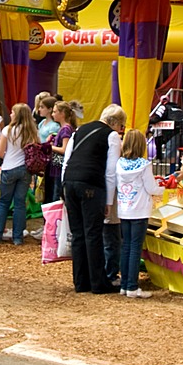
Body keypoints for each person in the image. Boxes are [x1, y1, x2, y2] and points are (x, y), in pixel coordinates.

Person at [61, 103, 126, 294]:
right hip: (91, 184)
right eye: (122, 126)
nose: (121, 130)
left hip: (71, 182)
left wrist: (64, 187)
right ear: (116, 123)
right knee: (93, 233)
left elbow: (67, 159)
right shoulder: (111, 136)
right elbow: (110, 171)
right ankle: (98, 282)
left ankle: (80, 282)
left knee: (78, 234)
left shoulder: (80, 130)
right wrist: (108, 200)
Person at [115, 128, 164, 298]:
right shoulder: (144, 165)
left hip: (124, 209)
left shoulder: (119, 163)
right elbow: (151, 188)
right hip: (140, 210)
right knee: (136, 248)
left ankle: (125, 285)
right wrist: (164, 188)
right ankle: (133, 286)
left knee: (126, 246)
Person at [0, 102, 38, 246]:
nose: (10, 114)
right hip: (25, 169)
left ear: (16, 115)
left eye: (12, 112)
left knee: (4, 203)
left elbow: (0, 152)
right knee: (20, 204)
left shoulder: (7, 130)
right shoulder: (31, 131)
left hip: (9, 168)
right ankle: (18, 238)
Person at [49, 100, 77, 202]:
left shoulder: (65, 129)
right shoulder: (64, 128)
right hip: (58, 167)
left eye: (55, 112)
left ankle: (57, 217)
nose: (53, 114)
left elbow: (64, 149)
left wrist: (49, 147)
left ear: (62, 114)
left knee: (57, 195)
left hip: (60, 167)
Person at [149, 94, 183, 172]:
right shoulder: (178, 108)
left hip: (171, 133)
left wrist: (147, 121)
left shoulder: (163, 107)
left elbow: (157, 118)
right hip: (182, 131)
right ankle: (176, 170)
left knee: (169, 154)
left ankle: (172, 172)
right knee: (180, 152)